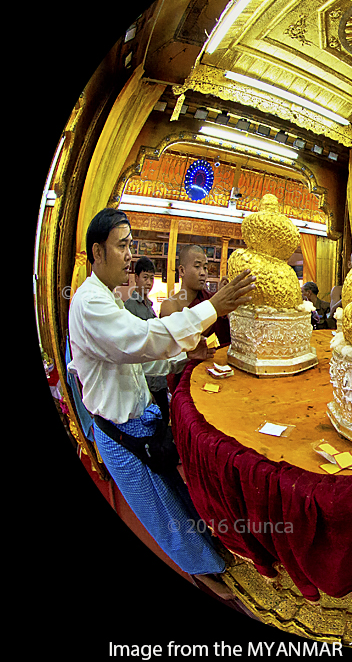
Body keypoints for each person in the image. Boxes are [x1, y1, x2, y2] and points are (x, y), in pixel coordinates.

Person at [68, 208, 255, 598]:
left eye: (130, 245)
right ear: (97, 252)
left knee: (177, 496)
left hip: (143, 423)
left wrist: (184, 357)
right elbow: (142, 340)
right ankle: (207, 576)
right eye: (122, 246)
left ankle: (209, 556)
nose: (130, 254)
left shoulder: (108, 297)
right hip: (120, 433)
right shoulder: (88, 302)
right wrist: (212, 309)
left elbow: (139, 355)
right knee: (163, 513)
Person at [161, 245, 231, 392]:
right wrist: (216, 307)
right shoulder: (170, 305)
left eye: (205, 268)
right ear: (182, 270)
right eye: (197, 266)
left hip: (215, 375)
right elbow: (188, 338)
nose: (203, 273)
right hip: (185, 379)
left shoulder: (210, 300)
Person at [123, 256, 171, 420]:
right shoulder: (129, 307)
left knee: (163, 417)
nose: (149, 282)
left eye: (151, 278)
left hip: (158, 377)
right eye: (145, 277)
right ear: (136, 278)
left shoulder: (150, 307)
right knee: (152, 422)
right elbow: (131, 345)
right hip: (145, 379)